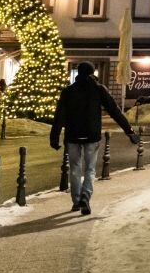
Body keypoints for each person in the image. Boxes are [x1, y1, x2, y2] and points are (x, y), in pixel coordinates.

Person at [50, 61, 137, 215]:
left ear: (78, 73)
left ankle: (76, 201)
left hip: (73, 135)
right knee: (90, 169)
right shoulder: (98, 89)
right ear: (92, 73)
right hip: (91, 135)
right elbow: (114, 111)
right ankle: (85, 196)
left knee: (75, 168)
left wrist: (54, 137)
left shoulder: (68, 91)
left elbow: (60, 116)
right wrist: (129, 130)